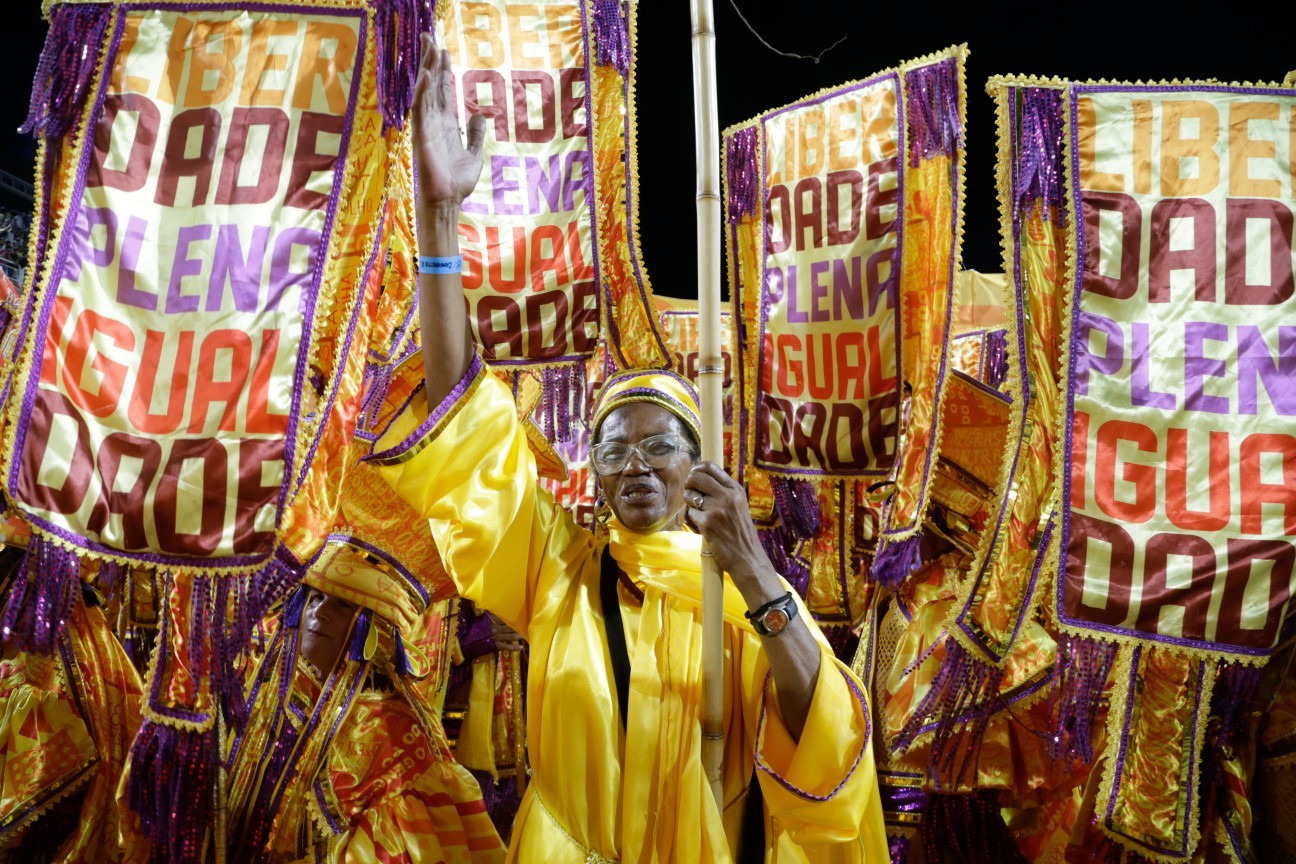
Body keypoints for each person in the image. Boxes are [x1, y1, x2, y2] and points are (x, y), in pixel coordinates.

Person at [365, 35, 887, 862]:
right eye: (613, 451)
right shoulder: (556, 567)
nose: (635, 467)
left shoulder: (742, 584)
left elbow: (824, 737)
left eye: (659, 449)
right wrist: (437, 218)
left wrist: (753, 573)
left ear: (697, 463)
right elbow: (464, 411)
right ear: (593, 471)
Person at [224, 540, 506, 864]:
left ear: (375, 629)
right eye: (314, 598)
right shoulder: (259, 691)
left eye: (343, 606)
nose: (319, 614)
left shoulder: (396, 730)